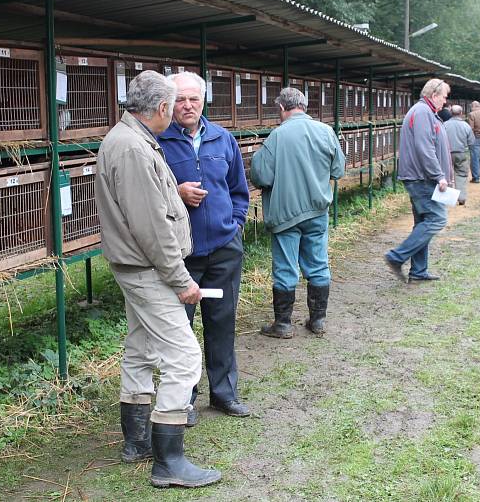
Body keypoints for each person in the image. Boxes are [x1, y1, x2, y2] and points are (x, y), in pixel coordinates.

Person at [95, 70, 220, 489]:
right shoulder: (132, 148)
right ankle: (169, 460)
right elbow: (151, 227)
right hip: (149, 269)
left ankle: (137, 440)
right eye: (174, 105)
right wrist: (181, 279)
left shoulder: (128, 138)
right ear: (163, 108)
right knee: (184, 357)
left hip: (136, 266)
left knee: (141, 347)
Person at [158, 72, 251, 425]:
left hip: (224, 248)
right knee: (181, 328)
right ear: (169, 103)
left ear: (203, 101)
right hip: (183, 254)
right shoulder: (159, 142)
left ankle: (224, 394)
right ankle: (184, 399)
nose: (187, 105)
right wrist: (177, 195)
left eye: (193, 99)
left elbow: (239, 189)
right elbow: (150, 195)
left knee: (222, 321)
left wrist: (235, 225)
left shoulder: (222, 138)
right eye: (180, 99)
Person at [250, 87, 345, 339]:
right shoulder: (326, 132)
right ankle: (318, 321)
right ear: (304, 106)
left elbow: (260, 176)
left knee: (285, 267)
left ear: (282, 108)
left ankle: (282, 324)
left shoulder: (277, 136)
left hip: (285, 215)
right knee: (318, 264)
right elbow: (338, 169)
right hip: (317, 212)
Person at [384, 78, 453, 283]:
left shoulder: (426, 112)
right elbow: (425, 148)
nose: (445, 102)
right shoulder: (422, 112)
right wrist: (439, 175)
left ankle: (419, 271)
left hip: (422, 177)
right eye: (444, 97)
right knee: (437, 219)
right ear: (434, 95)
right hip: (422, 178)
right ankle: (396, 257)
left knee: (422, 222)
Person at [443, 105, 474, 205]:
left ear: (451, 113)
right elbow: (471, 142)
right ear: (461, 113)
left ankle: (448, 198)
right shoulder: (466, 126)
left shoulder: (444, 125)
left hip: (447, 154)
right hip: (461, 153)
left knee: (447, 175)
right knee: (461, 174)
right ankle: (461, 198)